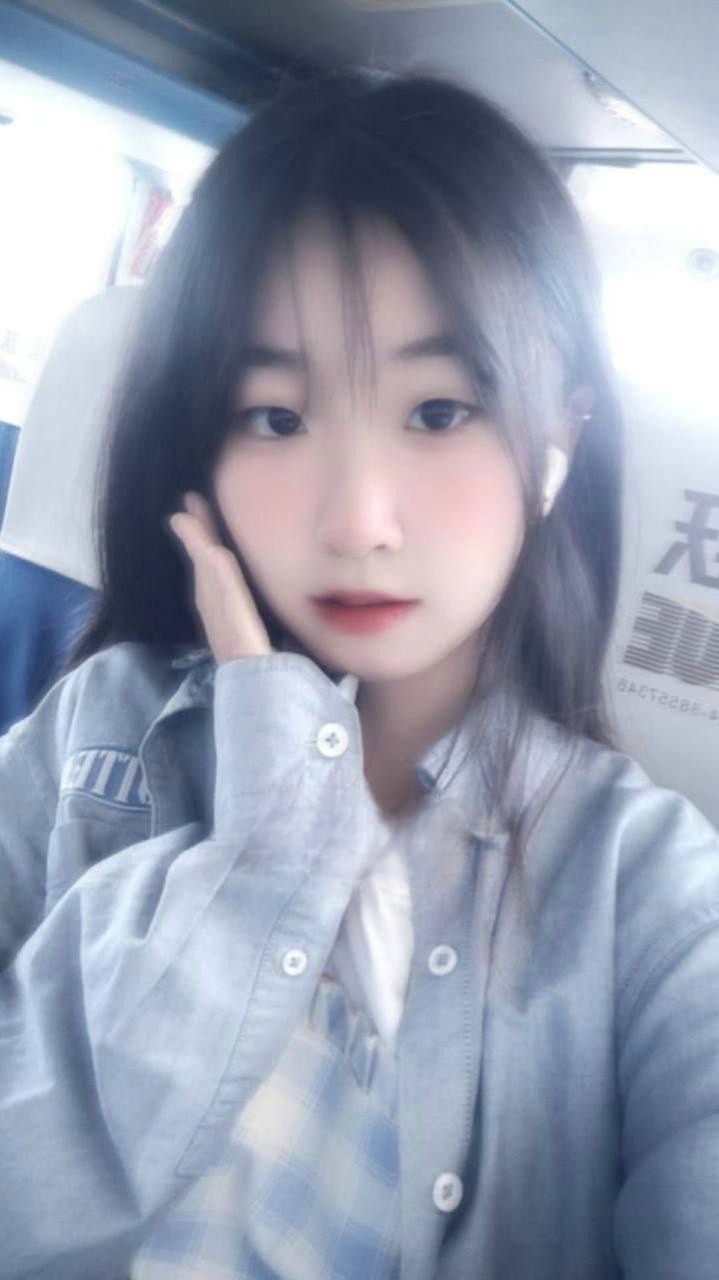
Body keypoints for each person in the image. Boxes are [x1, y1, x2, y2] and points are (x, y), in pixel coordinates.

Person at [1, 68, 718, 1280]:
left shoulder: (647, 888)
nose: (358, 521)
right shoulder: (95, 734)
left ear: (558, 435)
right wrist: (268, 851)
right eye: (275, 417)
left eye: (438, 411)